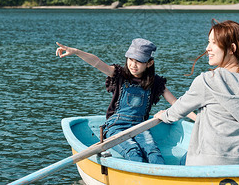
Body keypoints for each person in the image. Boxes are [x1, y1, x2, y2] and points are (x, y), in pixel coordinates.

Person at [56, 38, 197, 164]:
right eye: (131, 60)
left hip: (140, 127)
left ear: (149, 63)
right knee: (133, 151)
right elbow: (97, 63)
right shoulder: (120, 75)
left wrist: (198, 119)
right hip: (116, 127)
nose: (133, 65)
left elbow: (176, 104)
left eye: (139, 61)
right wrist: (76, 52)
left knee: (153, 152)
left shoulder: (155, 82)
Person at [154, 19, 239, 166]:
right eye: (209, 42)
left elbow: (178, 111)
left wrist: (163, 115)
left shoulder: (208, 81)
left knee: (179, 160)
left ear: (231, 48)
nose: (207, 48)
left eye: (213, 43)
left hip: (211, 163)